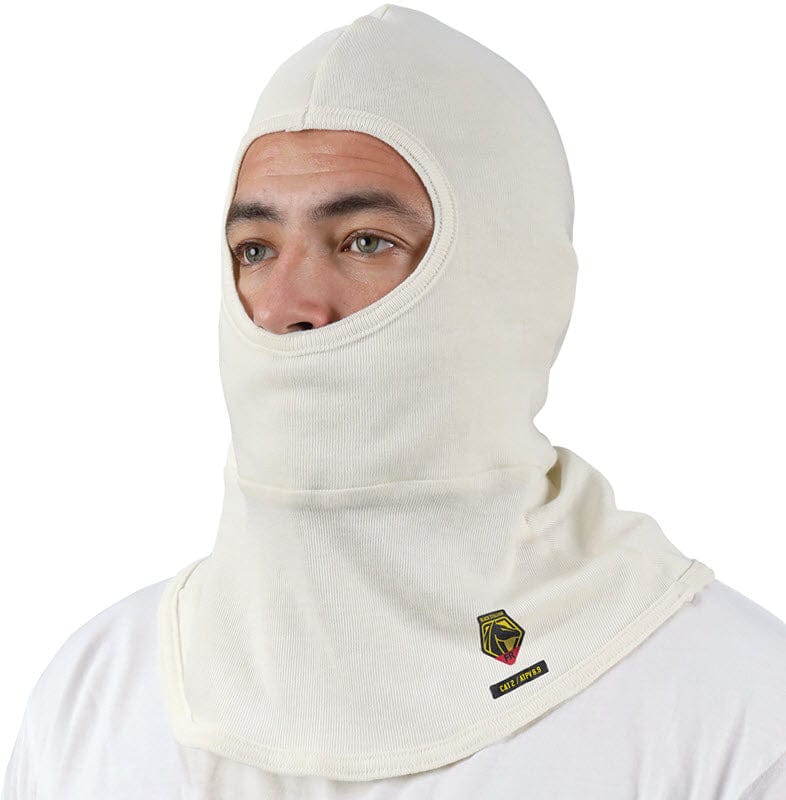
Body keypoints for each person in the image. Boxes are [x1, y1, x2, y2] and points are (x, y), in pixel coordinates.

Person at [3, 4, 786, 798]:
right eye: (255, 249)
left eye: (365, 241)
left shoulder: (730, 712)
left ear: (511, 278)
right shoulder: (97, 696)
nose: (287, 307)